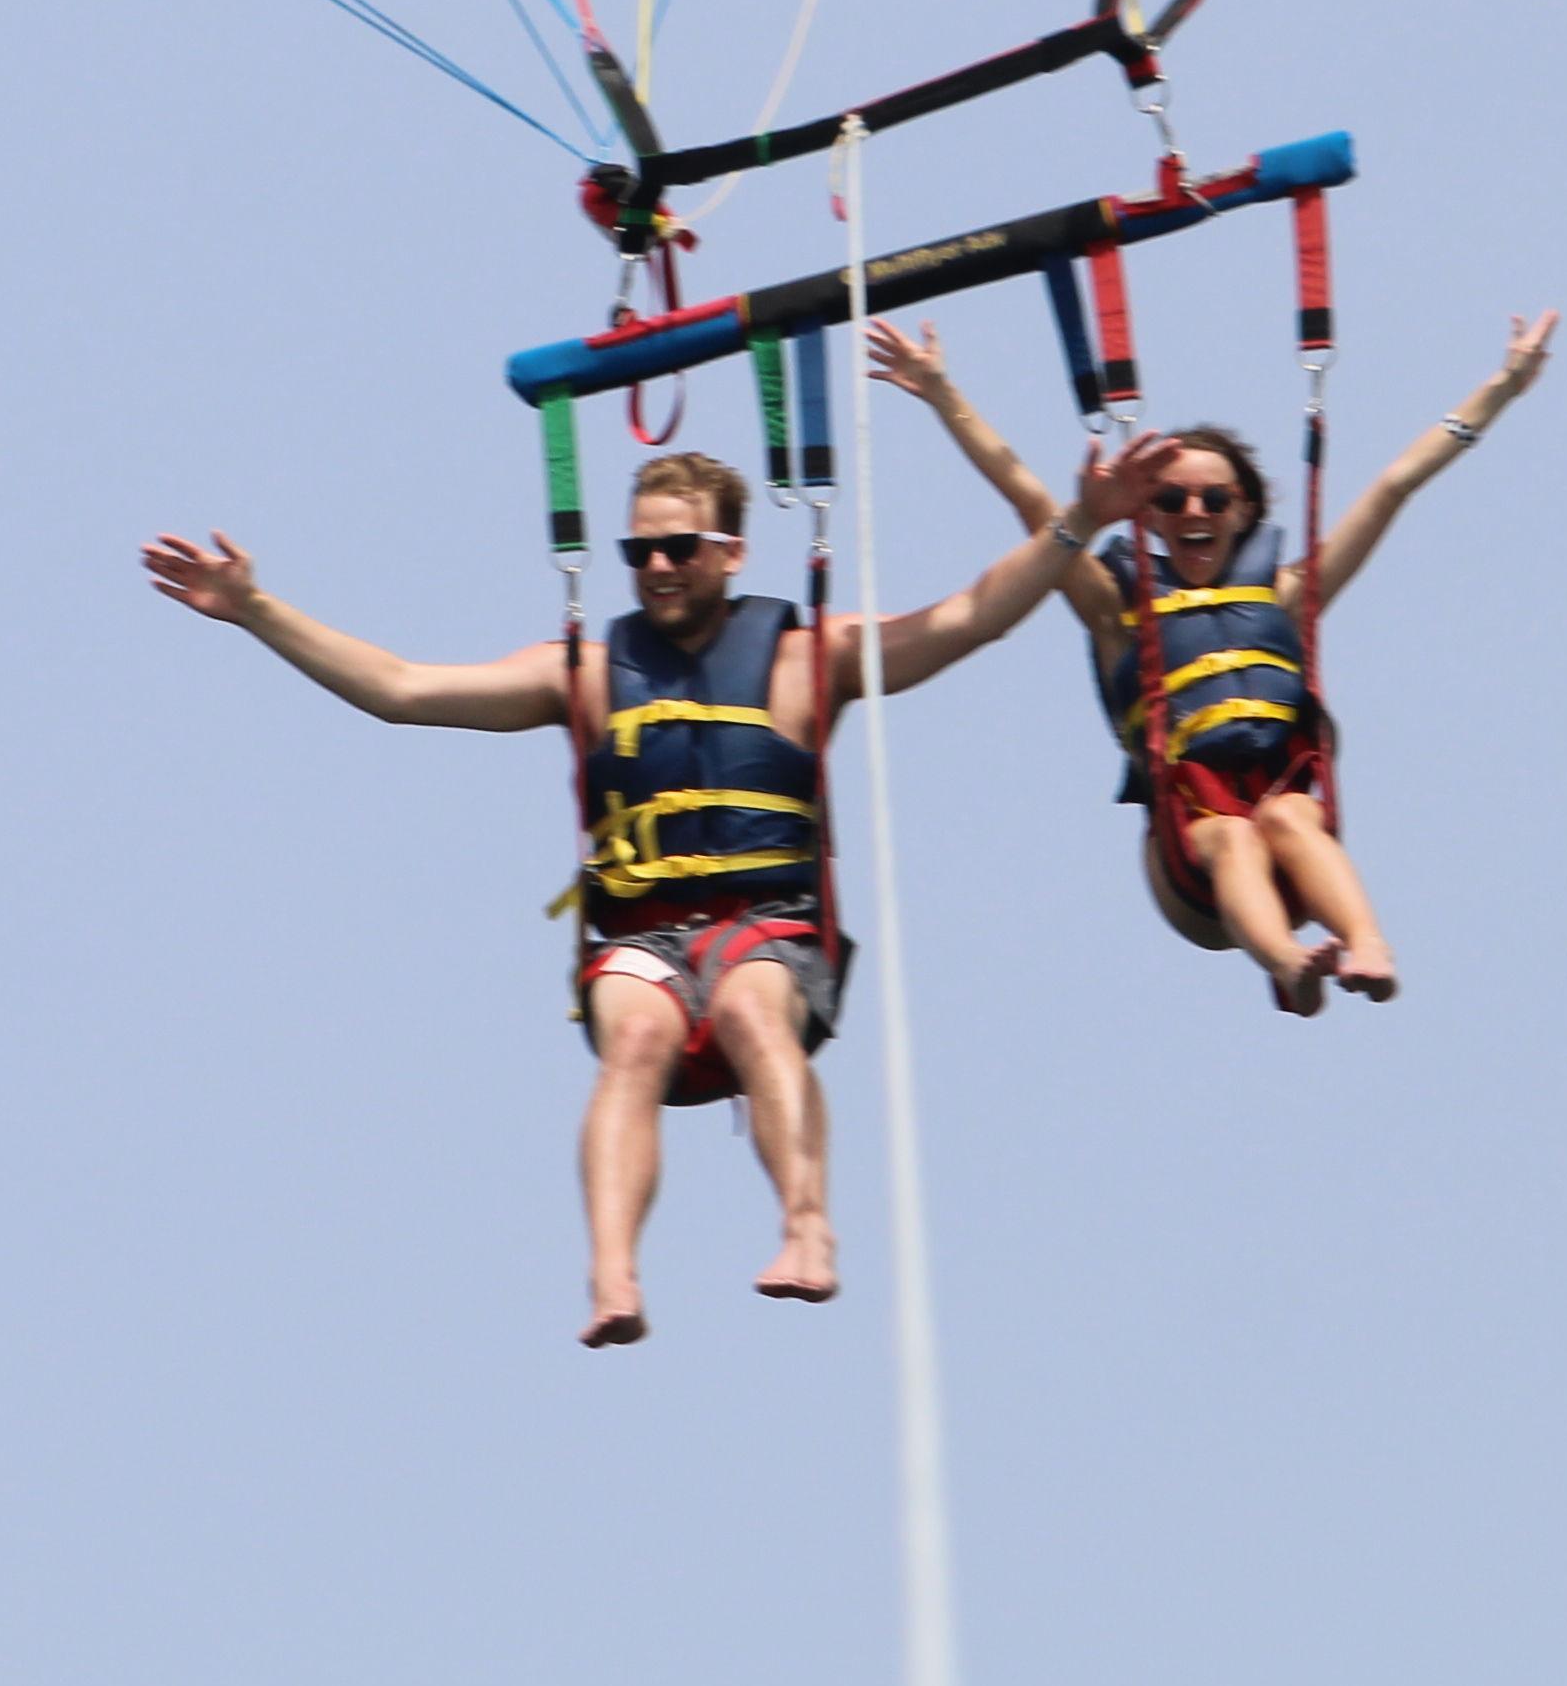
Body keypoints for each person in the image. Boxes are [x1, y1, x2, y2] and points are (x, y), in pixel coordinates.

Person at [139, 436, 1077, 1347]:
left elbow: (971, 617)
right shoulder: (584, 668)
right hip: (643, 937)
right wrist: (257, 609)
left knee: (754, 1014)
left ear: (732, 551)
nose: (658, 566)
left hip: (772, 929)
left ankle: (807, 1226)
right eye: (641, 551)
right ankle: (613, 1273)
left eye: (680, 547)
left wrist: (1080, 525)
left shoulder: (805, 656)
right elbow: (401, 688)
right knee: (632, 1036)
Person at [877, 310, 1561, 1014]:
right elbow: (1030, 498)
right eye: (1169, 500)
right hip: (1192, 859)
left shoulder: (1286, 596)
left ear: (1244, 511)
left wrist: (1503, 387)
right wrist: (941, 392)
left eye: (1214, 498)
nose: (1192, 510)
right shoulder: (1117, 609)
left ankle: (1367, 944)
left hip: (1288, 832)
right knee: (1237, 834)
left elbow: (1393, 487)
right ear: (1146, 517)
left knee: (1292, 815)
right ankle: (1290, 964)